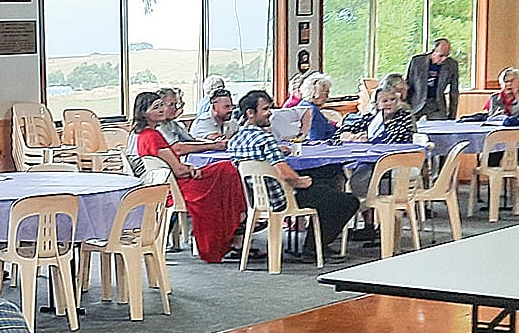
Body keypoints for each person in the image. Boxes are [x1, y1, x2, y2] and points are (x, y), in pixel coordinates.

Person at [230, 90, 360, 252]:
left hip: (257, 199)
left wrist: (277, 150)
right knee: (346, 201)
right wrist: (303, 181)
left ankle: (314, 243)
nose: (270, 113)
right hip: (283, 199)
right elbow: (286, 175)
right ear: (250, 113)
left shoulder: (234, 141)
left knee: (323, 187)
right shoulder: (266, 140)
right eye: (265, 109)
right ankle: (314, 248)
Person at [130, 90, 246, 263]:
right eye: (156, 107)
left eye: (162, 105)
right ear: (144, 113)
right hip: (176, 186)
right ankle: (238, 222)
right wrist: (191, 169)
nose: (162, 110)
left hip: (170, 183)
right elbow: (177, 170)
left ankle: (237, 225)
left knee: (224, 171)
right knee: (227, 169)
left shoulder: (146, 134)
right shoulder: (152, 136)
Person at [338, 85, 417, 146]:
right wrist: (352, 137)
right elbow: (340, 133)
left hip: (394, 156)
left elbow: (392, 141)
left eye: (393, 99)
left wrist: (367, 139)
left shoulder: (404, 117)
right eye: (385, 101)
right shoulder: (370, 118)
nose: (389, 103)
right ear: (377, 105)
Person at [406, 38, 461, 121]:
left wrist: (452, 116)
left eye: (447, 55)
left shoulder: (452, 65)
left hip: (437, 106)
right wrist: (406, 109)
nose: (444, 59)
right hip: (416, 104)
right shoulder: (417, 62)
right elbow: (409, 85)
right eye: (441, 56)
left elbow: (454, 92)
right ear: (433, 52)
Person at [297, 74, 340, 142]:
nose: (327, 98)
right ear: (315, 93)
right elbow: (317, 137)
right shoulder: (312, 111)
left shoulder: (301, 105)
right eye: (325, 94)